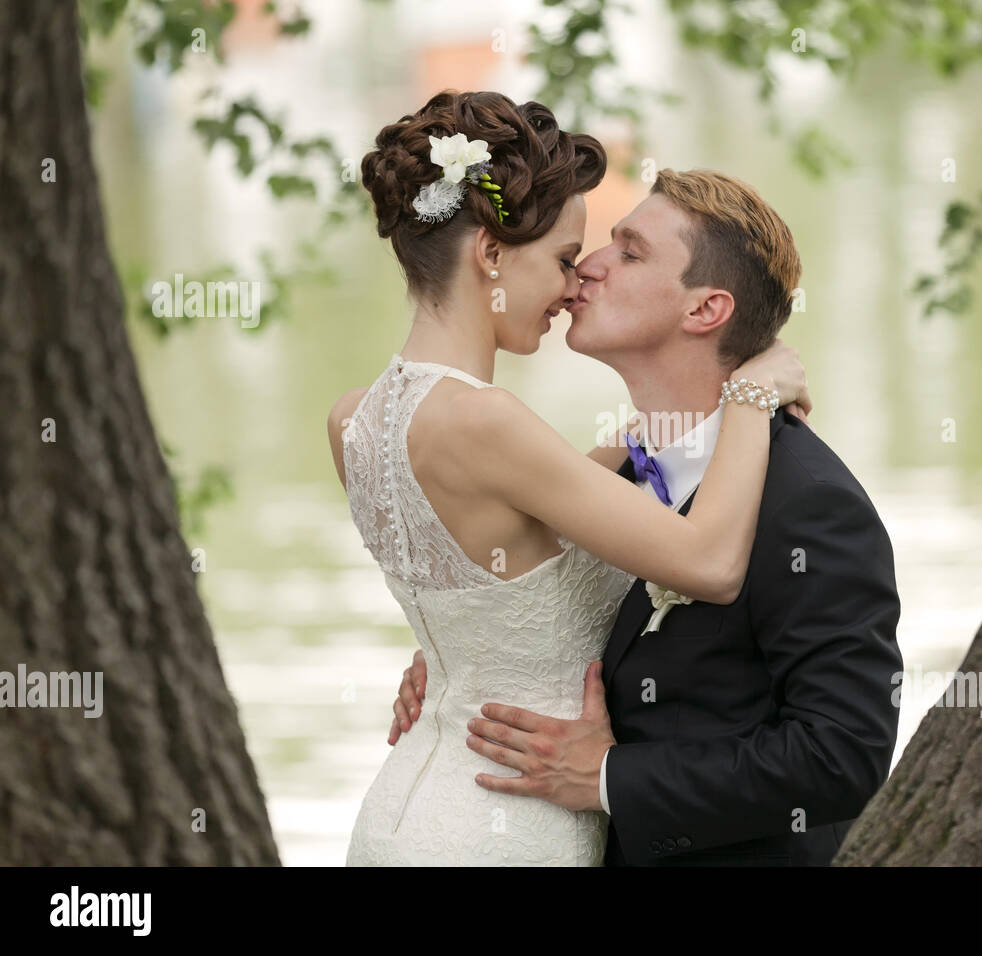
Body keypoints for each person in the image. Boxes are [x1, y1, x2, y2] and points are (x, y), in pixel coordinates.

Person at [326, 90, 809, 866]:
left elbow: (514, 552)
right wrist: (751, 396)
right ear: (489, 255)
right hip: (504, 827)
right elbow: (712, 566)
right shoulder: (487, 423)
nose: (572, 284)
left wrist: (442, 661)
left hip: (406, 810)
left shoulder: (356, 420)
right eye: (559, 259)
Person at [390, 164, 904, 866]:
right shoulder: (608, 477)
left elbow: (841, 756)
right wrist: (459, 650)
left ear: (704, 311)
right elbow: (537, 604)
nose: (586, 269)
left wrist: (606, 778)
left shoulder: (810, 503)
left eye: (629, 253)